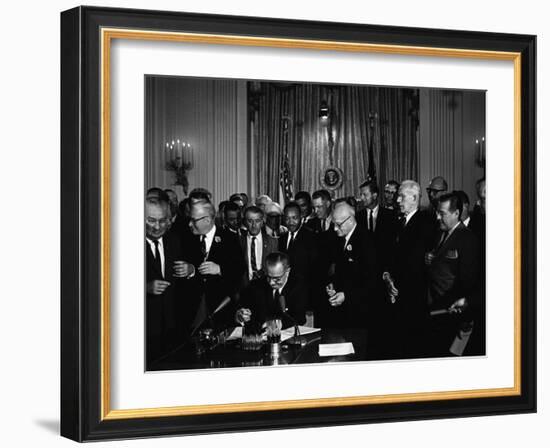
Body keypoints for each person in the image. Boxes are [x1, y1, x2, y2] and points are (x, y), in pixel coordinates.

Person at [382, 180, 433, 358]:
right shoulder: (396, 222)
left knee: (411, 349)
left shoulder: (425, 223)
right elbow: (389, 256)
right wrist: (387, 276)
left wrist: (396, 287)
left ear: (414, 198)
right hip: (394, 296)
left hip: (413, 300)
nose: (397, 201)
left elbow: (415, 264)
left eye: (401, 197)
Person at [425, 192, 480, 356]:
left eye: (442, 213)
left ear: (456, 213)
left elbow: (468, 281)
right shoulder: (441, 233)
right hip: (434, 310)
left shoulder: (468, 239)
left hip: (450, 314)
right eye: (437, 212)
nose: (437, 217)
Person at [183, 201, 245, 333]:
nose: (189, 224)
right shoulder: (187, 240)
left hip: (222, 309)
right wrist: (191, 270)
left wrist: (220, 269)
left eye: (193, 220)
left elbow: (240, 270)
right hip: (194, 311)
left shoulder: (230, 239)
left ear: (206, 220)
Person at [145, 198, 193, 364]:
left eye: (162, 221)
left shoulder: (175, 240)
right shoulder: (124, 244)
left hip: (174, 326)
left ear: (170, 220)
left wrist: (190, 270)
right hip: (144, 327)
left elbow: (189, 284)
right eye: (150, 220)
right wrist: (144, 288)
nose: (157, 227)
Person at [324, 202, 378, 330]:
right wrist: (333, 286)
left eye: (338, 225)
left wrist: (347, 295)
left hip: (362, 312)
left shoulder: (367, 240)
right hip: (344, 312)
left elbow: (371, 281)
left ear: (350, 220)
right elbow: (339, 271)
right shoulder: (340, 239)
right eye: (334, 224)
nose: (335, 229)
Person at [236, 252, 308, 329]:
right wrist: (241, 316)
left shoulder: (298, 286)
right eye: (268, 277)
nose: (271, 282)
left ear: (287, 272)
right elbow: (244, 311)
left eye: (277, 279)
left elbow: (300, 318)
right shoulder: (256, 286)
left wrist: (278, 324)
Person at [279, 201, 319, 312]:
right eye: (287, 218)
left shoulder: (311, 238)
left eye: (294, 218)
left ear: (301, 216)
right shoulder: (281, 239)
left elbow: (314, 272)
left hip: (304, 299)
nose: (290, 222)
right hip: (285, 298)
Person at [356, 180, 398, 276]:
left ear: (374, 195)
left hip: (383, 271)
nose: (361, 198)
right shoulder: (357, 217)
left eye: (365, 195)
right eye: (361, 195)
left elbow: (392, 246)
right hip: (363, 272)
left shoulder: (390, 216)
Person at [239, 206, 278, 288]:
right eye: (250, 221)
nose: (254, 225)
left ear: (262, 222)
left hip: (266, 289)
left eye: (257, 221)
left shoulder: (273, 242)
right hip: (244, 289)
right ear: (245, 222)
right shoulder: (239, 242)